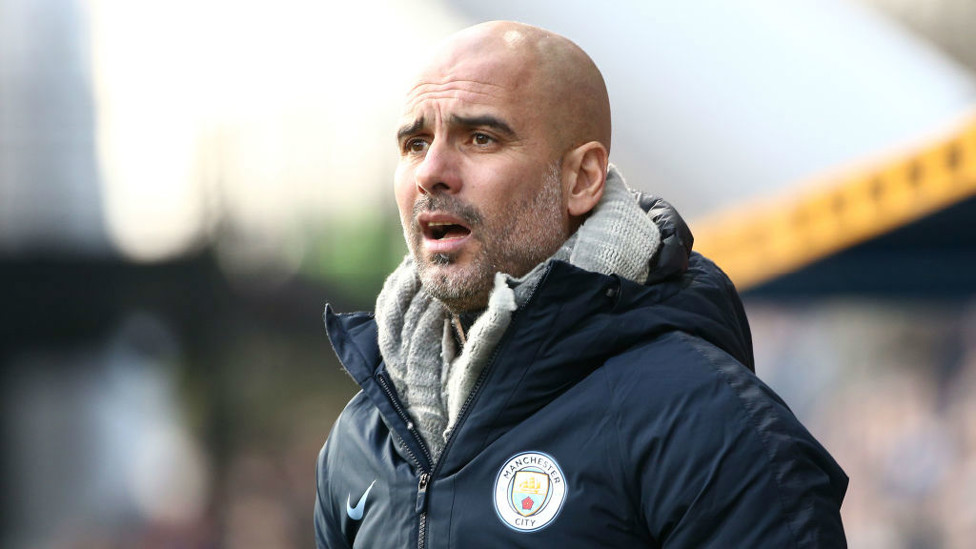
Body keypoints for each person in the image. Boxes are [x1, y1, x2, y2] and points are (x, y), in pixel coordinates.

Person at [315, 20, 848, 548]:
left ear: (582, 179)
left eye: (480, 138)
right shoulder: (361, 439)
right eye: (414, 143)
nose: (432, 171)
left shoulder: (706, 422)